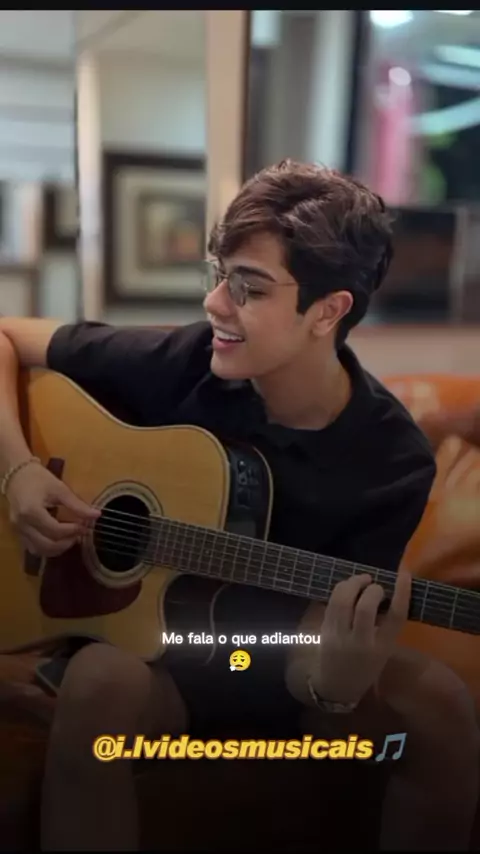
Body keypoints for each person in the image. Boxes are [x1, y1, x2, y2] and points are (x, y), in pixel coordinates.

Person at [0, 160, 477, 851]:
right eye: (219, 275)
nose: (215, 304)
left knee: (440, 702)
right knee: (98, 682)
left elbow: (321, 652)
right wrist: (19, 471)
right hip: (163, 656)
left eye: (248, 288)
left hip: (281, 660)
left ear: (327, 311)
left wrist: (335, 683)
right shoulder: (187, 359)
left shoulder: (391, 460)